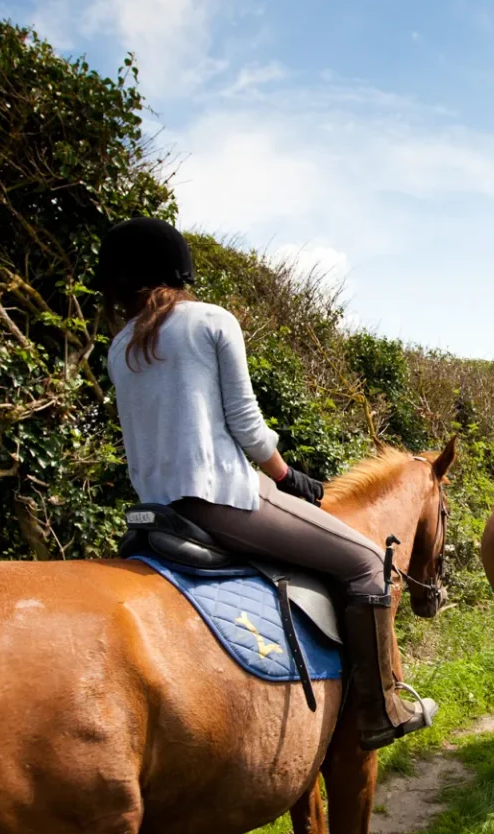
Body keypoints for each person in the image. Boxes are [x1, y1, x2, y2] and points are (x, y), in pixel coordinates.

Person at [97, 217, 435, 750]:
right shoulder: (211, 321)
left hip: (155, 512)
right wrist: (286, 476)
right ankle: (381, 708)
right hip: (221, 500)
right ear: (178, 270)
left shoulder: (120, 348)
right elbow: (247, 427)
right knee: (369, 561)